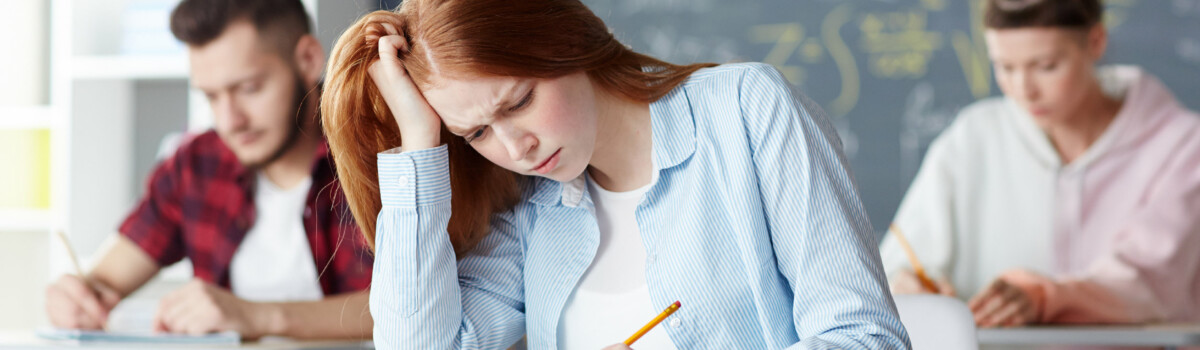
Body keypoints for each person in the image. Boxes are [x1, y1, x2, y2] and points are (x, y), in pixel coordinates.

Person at [321, 0, 911, 349]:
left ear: (563, 43)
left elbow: (865, 336)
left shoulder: (745, 111)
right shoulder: (530, 206)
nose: (515, 146)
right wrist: (421, 146)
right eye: (476, 134)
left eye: (518, 102)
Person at [43, 0, 374, 340]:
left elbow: (406, 304)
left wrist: (257, 316)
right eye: (212, 97)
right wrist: (76, 298)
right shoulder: (196, 165)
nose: (230, 120)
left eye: (249, 88)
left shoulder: (375, 156)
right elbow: (104, 281)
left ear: (307, 59)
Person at [880, 0, 1200, 328]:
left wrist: (1044, 297)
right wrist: (907, 285)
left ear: (1095, 42)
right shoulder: (972, 137)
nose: (1024, 90)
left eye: (1046, 66)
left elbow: (1150, 282)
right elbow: (897, 265)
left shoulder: (1183, 145)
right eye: (1005, 67)